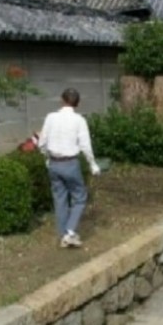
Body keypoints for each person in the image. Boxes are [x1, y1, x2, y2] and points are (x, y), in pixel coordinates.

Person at [38, 88, 101, 248]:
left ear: (61, 100)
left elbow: (42, 143)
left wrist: (47, 158)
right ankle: (70, 231)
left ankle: (63, 235)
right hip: (70, 163)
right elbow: (85, 145)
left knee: (60, 199)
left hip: (54, 163)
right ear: (77, 103)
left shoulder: (50, 117)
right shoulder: (79, 120)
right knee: (79, 197)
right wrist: (93, 165)